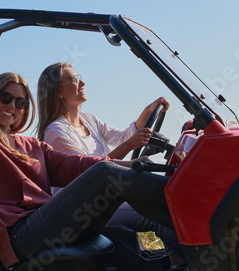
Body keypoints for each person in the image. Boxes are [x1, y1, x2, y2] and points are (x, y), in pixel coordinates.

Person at [0, 32, 173, 269]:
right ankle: (186, 191)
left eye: (21, 102)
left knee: (119, 190)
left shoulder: (32, 146)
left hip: (50, 222)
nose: (13, 105)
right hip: (21, 235)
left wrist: (139, 165)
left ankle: (183, 225)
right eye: (6, 98)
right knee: (110, 179)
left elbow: (77, 166)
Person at [36, 62, 184, 262]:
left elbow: (124, 136)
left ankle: (176, 258)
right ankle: (193, 258)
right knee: (153, 216)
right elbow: (90, 174)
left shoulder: (88, 119)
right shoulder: (56, 132)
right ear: (59, 92)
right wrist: (132, 152)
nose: (83, 82)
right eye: (74, 79)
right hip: (86, 207)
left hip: (109, 195)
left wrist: (148, 111)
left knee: (166, 204)